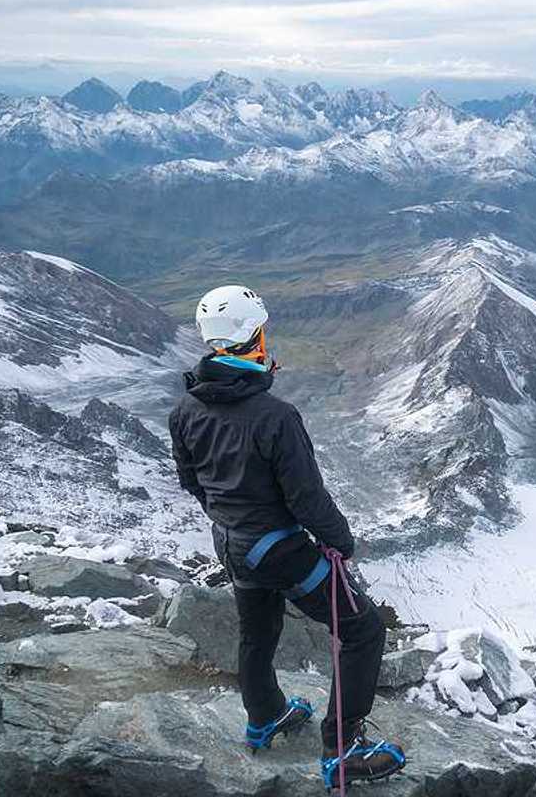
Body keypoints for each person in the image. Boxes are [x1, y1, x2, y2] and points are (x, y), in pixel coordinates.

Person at [168, 284, 406, 789]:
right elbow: (306, 500)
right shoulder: (275, 417)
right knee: (363, 630)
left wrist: (231, 516)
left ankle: (265, 717)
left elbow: (192, 481)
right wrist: (341, 542)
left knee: (257, 633)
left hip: (232, 542)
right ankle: (343, 748)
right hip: (279, 547)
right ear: (253, 338)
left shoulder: (185, 409)